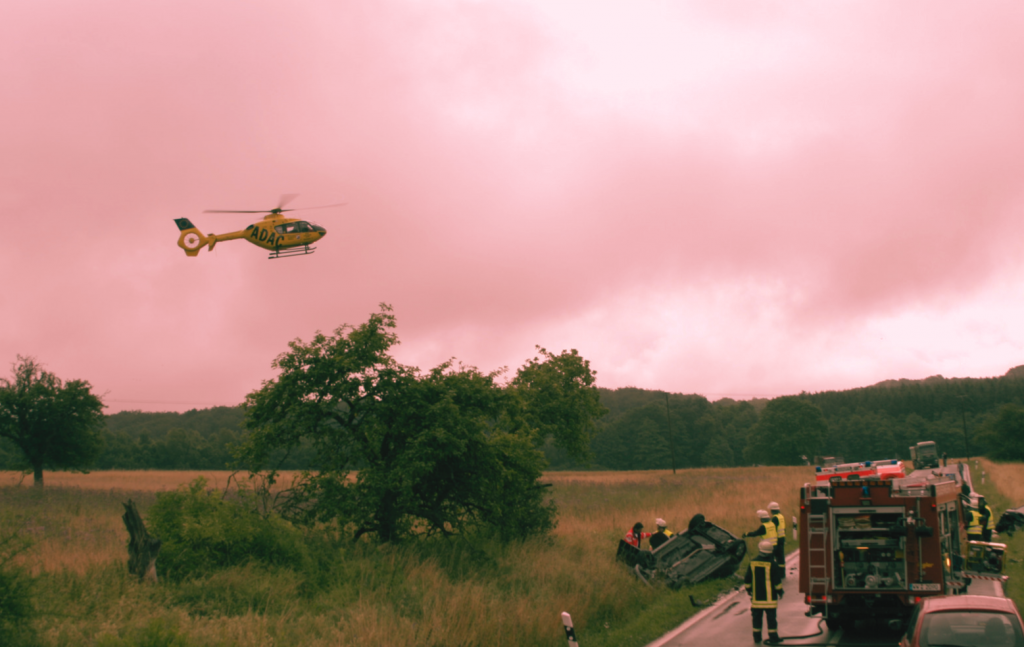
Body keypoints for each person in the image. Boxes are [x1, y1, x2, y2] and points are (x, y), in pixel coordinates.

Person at [745, 539, 785, 644]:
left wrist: (749, 590)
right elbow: (777, 581)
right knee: (771, 620)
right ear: (770, 552)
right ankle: (773, 638)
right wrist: (780, 591)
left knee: (756, 619)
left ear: (760, 550)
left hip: (756, 599)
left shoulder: (752, 563)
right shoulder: (773, 564)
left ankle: (757, 638)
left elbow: (747, 579)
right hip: (770, 600)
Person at [768, 502, 786, 577]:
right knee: (781, 557)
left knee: (774, 556)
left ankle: (774, 573)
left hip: (777, 539)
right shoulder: (781, 516)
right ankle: (782, 573)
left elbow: (773, 529)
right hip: (782, 538)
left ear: (772, 510)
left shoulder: (775, 518)